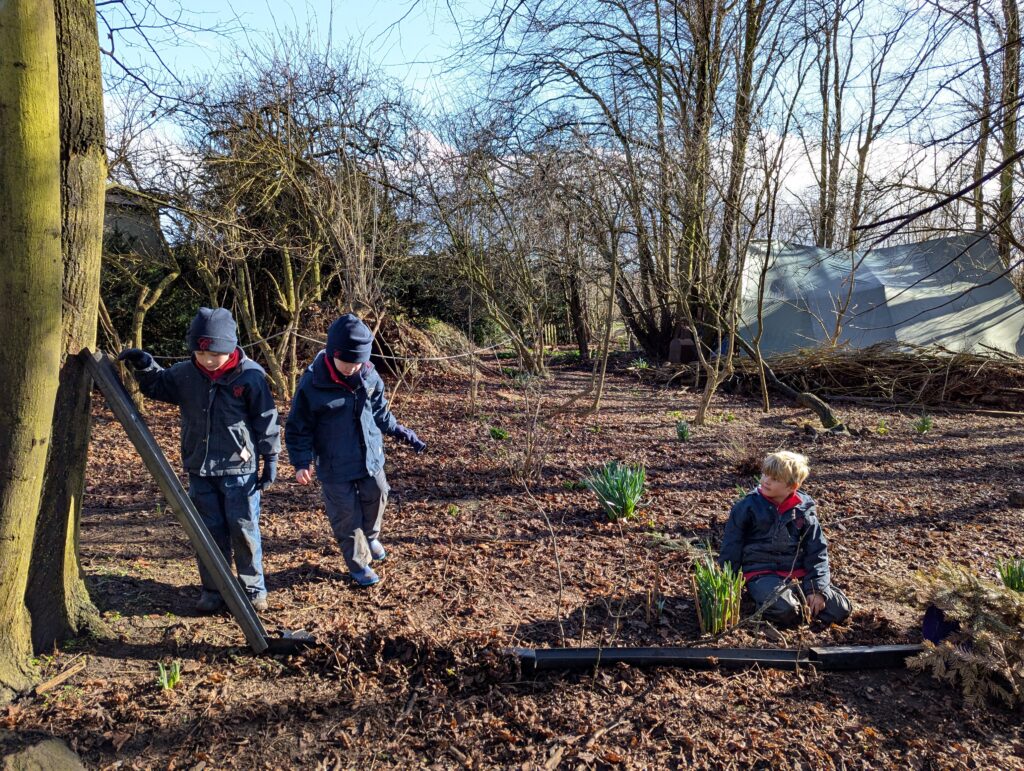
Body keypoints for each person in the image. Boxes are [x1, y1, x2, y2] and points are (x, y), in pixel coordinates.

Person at [118, 307, 280, 614]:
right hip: (200, 467)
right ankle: (213, 589)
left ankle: (253, 588)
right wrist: (144, 365)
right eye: (200, 353)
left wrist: (270, 456)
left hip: (239, 469)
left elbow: (266, 418)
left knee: (243, 528)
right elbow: (157, 385)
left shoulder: (250, 376)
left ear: (230, 347)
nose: (206, 360)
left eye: (214, 355)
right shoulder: (185, 374)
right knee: (208, 532)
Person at [285, 314, 426, 587]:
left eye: (357, 362)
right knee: (346, 517)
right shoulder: (312, 384)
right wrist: (301, 461)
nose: (352, 368)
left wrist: (401, 431)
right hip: (334, 465)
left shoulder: (370, 375)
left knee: (379, 493)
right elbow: (298, 428)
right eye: (346, 362)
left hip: (369, 458)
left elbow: (381, 413)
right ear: (332, 353)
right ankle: (359, 565)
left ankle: (371, 536)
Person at [718, 451, 852, 627]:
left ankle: (800, 607)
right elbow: (731, 548)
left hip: (798, 573)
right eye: (765, 474)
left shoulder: (803, 509)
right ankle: (779, 606)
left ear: (792, 486)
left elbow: (817, 551)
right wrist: (730, 588)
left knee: (839, 609)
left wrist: (817, 590)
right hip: (761, 572)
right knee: (785, 610)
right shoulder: (747, 507)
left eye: (775, 479)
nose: (766, 480)